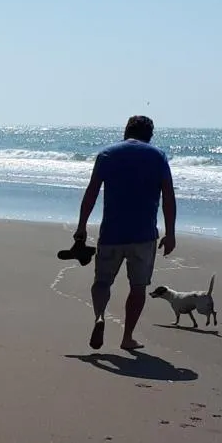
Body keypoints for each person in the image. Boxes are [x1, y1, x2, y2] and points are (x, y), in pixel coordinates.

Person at [73, 115, 176, 351]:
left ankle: (100, 317)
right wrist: (170, 233)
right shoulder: (157, 156)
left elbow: (91, 193)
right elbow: (168, 197)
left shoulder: (108, 154)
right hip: (143, 235)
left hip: (112, 233)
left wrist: (81, 226)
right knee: (138, 288)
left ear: (125, 131)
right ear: (149, 135)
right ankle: (127, 337)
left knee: (102, 282)